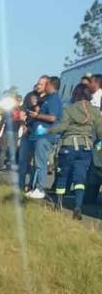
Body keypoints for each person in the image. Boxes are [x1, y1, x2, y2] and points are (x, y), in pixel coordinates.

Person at [47, 83, 102, 219]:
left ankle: (58, 204)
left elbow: (63, 126)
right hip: (86, 148)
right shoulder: (94, 110)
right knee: (80, 178)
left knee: (62, 176)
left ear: (75, 94)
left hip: (68, 146)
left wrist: (49, 130)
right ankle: (78, 207)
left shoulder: (69, 108)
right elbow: (100, 131)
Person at [25, 76, 63, 200]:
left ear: (51, 85)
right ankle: (35, 187)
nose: (43, 86)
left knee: (41, 163)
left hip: (45, 136)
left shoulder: (54, 100)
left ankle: (40, 188)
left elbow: (52, 118)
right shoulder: (48, 99)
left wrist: (37, 116)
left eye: (46, 84)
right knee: (37, 163)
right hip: (39, 136)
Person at [18, 75, 48, 190]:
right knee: (22, 160)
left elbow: (45, 116)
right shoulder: (30, 95)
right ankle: (20, 186)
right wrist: (23, 124)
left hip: (40, 134)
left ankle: (34, 186)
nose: (38, 86)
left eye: (41, 84)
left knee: (37, 162)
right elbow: (22, 111)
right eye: (38, 83)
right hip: (28, 131)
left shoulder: (48, 99)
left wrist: (35, 105)